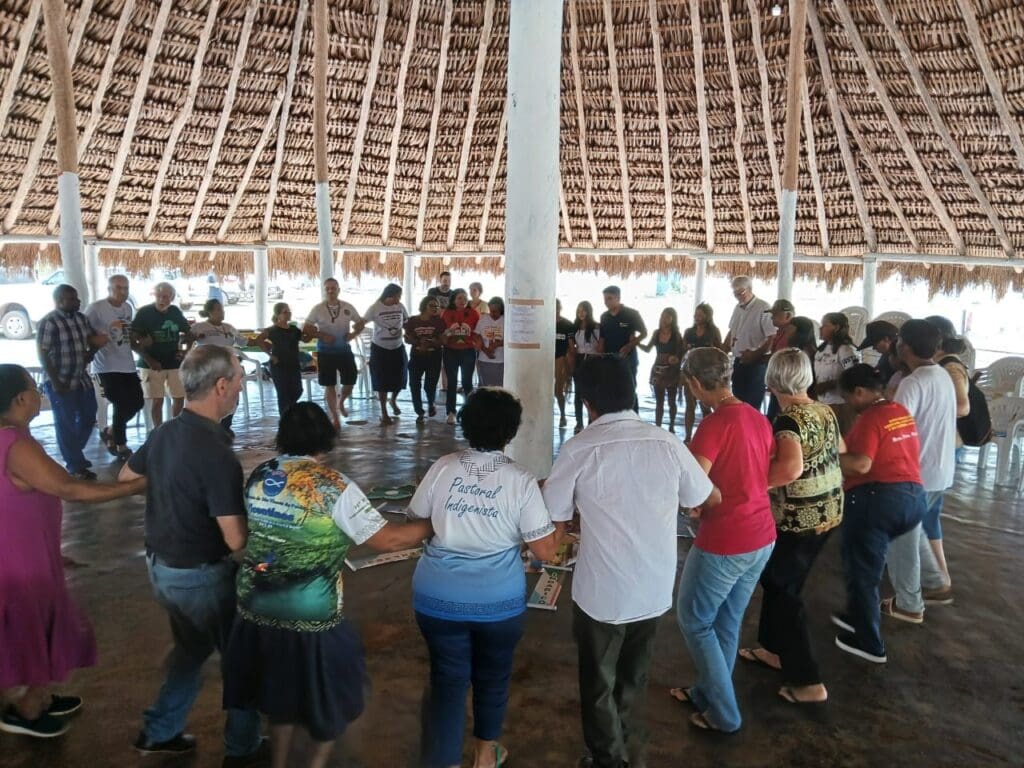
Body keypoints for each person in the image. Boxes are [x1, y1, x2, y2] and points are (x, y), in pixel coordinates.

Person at [224, 403, 432, 768]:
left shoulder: (261, 473)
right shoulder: (334, 486)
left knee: (282, 700)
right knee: (334, 697)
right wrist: (436, 521)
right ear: (327, 438)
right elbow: (390, 540)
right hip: (310, 615)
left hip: (255, 605)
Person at [542, 357, 716, 767]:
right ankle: (621, 738)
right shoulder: (667, 442)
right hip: (654, 584)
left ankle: (607, 757)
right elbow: (701, 497)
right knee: (634, 673)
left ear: (587, 402)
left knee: (598, 680)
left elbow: (554, 515)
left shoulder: (580, 448)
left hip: (601, 591)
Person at [119, 346, 264, 763]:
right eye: (239, 379)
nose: (241, 386)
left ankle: (159, 731)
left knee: (192, 649)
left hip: (162, 566)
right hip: (201, 576)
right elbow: (235, 540)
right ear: (221, 386)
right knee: (243, 660)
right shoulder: (216, 454)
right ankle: (243, 747)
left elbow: (127, 476)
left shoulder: (166, 432)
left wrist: (174, 491)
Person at [409, 388, 559, 768]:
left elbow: (417, 518)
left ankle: (444, 761)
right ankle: (484, 754)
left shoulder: (443, 467)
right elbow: (545, 551)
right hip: (498, 602)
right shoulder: (521, 480)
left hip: (437, 598)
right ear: (511, 432)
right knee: (493, 676)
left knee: (447, 680)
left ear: (466, 425)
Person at [0, 364, 145, 738]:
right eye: (34, 389)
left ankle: (39, 694)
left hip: (24, 547)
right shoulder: (15, 444)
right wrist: (135, 487)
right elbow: (69, 488)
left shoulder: (14, 439)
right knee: (31, 624)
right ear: (20, 399)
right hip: (20, 557)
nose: (39, 393)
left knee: (36, 622)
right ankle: (26, 708)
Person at [673, 347, 776, 733]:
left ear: (696, 383)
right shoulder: (756, 416)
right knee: (726, 621)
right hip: (761, 534)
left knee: (694, 619)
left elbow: (695, 488)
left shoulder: (714, 425)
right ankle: (709, 692)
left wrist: (690, 505)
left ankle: (725, 714)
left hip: (727, 539)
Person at [737, 349, 843, 704]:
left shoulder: (789, 420)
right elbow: (839, 447)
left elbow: (790, 469)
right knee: (781, 581)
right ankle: (773, 648)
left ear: (772, 381)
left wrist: (751, 486)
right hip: (830, 510)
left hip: (801, 518)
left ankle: (808, 680)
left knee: (783, 589)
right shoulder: (824, 410)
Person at [833, 364, 925, 663]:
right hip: (913, 498)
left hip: (878, 500)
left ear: (860, 392)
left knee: (862, 571)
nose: (848, 403)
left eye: (848, 397)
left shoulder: (871, 418)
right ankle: (858, 615)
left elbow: (861, 464)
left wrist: (827, 457)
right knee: (866, 563)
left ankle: (870, 644)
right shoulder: (899, 411)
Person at [883, 320, 957, 622]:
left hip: (916, 473)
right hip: (940, 470)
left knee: (900, 537)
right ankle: (935, 583)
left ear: (905, 347)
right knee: (912, 530)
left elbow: (896, 429)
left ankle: (909, 604)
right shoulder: (942, 375)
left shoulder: (912, 383)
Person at [921, 315, 971, 596]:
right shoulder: (940, 365)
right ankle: (937, 574)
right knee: (928, 515)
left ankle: (938, 578)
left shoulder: (950, 367)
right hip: (941, 445)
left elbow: (963, 406)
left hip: (945, 446)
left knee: (923, 516)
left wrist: (932, 408)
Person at [36, 284, 105, 479]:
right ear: (60, 301)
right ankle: (75, 464)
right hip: (60, 379)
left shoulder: (81, 319)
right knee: (65, 422)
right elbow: (43, 353)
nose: (78, 301)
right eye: (72, 299)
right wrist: (56, 382)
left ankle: (74, 452)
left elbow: (94, 340)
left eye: (77, 298)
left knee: (89, 415)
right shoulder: (49, 322)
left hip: (81, 377)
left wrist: (92, 351)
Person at [86, 274, 144, 460]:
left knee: (137, 402)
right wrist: (95, 342)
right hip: (106, 366)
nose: (123, 292)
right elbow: (83, 331)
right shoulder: (96, 308)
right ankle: (121, 445)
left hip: (127, 363)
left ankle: (111, 431)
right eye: (118, 288)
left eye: (126, 288)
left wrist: (139, 342)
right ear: (109, 289)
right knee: (120, 402)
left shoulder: (127, 308)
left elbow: (127, 333)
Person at [302, 279, 364, 431]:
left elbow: (360, 322)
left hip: (344, 350)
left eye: (333, 288)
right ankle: (335, 417)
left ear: (338, 289)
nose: (330, 291)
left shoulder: (348, 307)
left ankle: (340, 402)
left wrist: (353, 334)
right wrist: (321, 335)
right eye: (327, 288)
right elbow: (306, 328)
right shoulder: (317, 309)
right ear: (324, 290)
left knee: (350, 380)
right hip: (325, 352)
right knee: (329, 384)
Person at [132, 282, 191, 428]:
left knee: (179, 397)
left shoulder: (175, 311)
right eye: (159, 296)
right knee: (157, 400)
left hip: (173, 361)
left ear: (172, 298)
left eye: (165, 296)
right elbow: (132, 341)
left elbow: (189, 334)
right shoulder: (144, 312)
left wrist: (184, 352)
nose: (161, 299)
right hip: (151, 364)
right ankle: (158, 430)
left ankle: (174, 428)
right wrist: (149, 360)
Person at [723, 276, 775, 411]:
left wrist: (755, 354)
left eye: (741, 292)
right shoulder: (737, 307)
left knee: (752, 404)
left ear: (750, 289)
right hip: (738, 361)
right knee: (737, 402)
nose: (738, 297)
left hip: (756, 364)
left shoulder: (763, 307)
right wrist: (722, 350)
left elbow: (772, 337)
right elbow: (732, 331)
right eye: (735, 293)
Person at [363, 283, 410, 425]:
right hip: (380, 348)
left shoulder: (400, 307)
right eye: (397, 296)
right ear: (390, 295)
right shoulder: (375, 307)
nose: (399, 299)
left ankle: (393, 400)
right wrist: (352, 332)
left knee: (400, 376)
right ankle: (384, 412)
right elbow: (362, 322)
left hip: (398, 346)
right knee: (381, 380)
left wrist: (409, 334)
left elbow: (407, 322)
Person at [597, 286, 647, 413]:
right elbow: (602, 337)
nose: (606, 302)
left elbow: (644, 333)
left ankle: (633, 417)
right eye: (605, 299)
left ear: (618, 298)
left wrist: (630, 345)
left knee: (630, 389)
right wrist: (599, 353)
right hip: (610, 359)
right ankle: (614, 416)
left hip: (628, 359)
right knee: (610, 389)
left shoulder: (632, 314)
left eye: (609, 298)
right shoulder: (604, 316)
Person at [257, 303, 308, 418]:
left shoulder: (294, 329)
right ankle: (285, 418)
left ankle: (289, 411)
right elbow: (259, 340)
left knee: (298, 390)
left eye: (289, 312)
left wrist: (311, 330)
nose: (288, 314)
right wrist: (270, 355)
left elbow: (305, 339)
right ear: (278, 315)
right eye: (285, 312)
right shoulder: (272, 330)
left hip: (293, 364)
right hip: (279, 364)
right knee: (283, 393)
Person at [681, 303, 723, 442]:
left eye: (700, 314)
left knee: (706, 405)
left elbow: (720, 352)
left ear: (707, 316)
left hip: (707, 374)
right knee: (690, 405)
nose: (697, 316)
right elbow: (683, 352)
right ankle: (688, 437)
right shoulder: (689, 332)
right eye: (696, 314)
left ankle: (708, 437)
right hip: (691, 372)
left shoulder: (713, 332)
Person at [812, 313, 860, 433]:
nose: (820, 328)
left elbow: (854, 376)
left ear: (836, 327)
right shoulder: (821, 350)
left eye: (825, 325)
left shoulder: (846, 349)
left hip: (840, 404)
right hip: (823, 402)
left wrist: (829, 385)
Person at [638, 308, 684, 431]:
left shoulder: (676, 335)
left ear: (673, 319)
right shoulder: (657, 333)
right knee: (659, 402)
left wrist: (675, 359)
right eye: (663, 316)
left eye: (668, 317)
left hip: (672, 371)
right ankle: (658, 427)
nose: (664, 319)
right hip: (658, 370)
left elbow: (681, 353)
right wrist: (636, 343)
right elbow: (648, 349)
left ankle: (672, 426)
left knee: (672, 401)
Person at [405, 296, 447, 424]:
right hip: (416, 356)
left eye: (437, 306)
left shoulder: (439, 321)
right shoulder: (413, 320)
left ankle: (430, 403)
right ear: (424, 306)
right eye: (431, 305)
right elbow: (407, 338)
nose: (435, 308)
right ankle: (419, 412)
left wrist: (431, 343)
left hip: (434, 356)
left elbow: (443, 340)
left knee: (430, 384)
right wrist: (419, 343)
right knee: (414, 383)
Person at [441, 289, 480, 425]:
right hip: (450, 351)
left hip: (468, 351)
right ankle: (451, 412)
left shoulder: (473, 313)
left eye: (464, 298)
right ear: (453, 299)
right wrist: (449, 332)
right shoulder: (446, 313)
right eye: (459, 298)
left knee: (467, 383)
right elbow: (442, 332)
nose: (462, 301)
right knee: (451, 383)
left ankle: (470, 412)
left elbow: (478, 332)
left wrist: (478, 344)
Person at [569, 301, 600, 434]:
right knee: (578, 394)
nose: (581, 313)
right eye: (579, 310)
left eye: (583, 310)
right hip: (580, 360)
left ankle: (591, 422)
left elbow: (600, 346)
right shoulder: (575, 326)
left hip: (592, 360)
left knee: (591, 393)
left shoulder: (596, 326)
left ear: (589, 311)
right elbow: (572, 346)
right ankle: (579, 422)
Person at [764, 299, 796, 421]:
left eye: (775, 314)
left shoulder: (793, 334)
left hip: (787, 385)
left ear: (787, 315)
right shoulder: (780, 333)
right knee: (773, 417)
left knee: (780, 419)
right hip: (777, 384)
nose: (772, 317)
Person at [855, 320, 900, 389]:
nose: (874, 348)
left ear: (886, 339)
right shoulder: (886, 355)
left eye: (875, 344)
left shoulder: (899, 359)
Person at [554, 300, 576, 429]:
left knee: (558, 391)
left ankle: (562, 415)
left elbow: (571, 347)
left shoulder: (568, 324)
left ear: (560, 307)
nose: (555, 309)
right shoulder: (544, 323)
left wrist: (571, 366)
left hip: (560, 360)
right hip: (544, 359)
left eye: (557, 307)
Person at [475, 298, 505, 387]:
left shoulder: (506, 320)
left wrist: (497, 344)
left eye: (495, 311)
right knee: (485, 387)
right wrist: (486, 350)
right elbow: (477, 336)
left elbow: (510, 340)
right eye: (490, 311)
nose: (492, 314)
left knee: (499, 388)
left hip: (501, 360)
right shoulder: (483, 319)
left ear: (501, 310)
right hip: (484, 359)